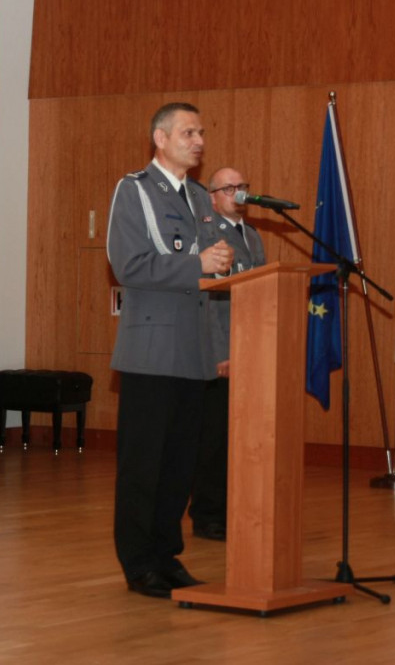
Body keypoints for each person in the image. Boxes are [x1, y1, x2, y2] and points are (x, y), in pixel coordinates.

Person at [106, 103, 234, 599]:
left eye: (201, 131)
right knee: (145, 465)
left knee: (180, 465)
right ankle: (138, 562)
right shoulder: (135, 189)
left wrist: (220, 261)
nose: (198, 140)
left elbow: (207, 264)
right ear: (160, 138)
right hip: (153, 348)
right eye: (188, 132)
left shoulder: (201, 197)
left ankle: (167, 556)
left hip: (194, 350)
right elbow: (129, 264)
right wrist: (197, 262)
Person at [188, 167, 267, 541]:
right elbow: (212, 300)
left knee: (244, 438)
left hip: (252, 350)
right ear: (213, 196)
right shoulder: (207, 236)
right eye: (230, 187)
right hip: (220, 353)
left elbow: (261, 293)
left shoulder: (251, 236)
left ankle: (237, 508)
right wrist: (221, 351)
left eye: (243, 186)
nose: (239, 193)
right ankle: (208, 515)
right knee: (214, 440)